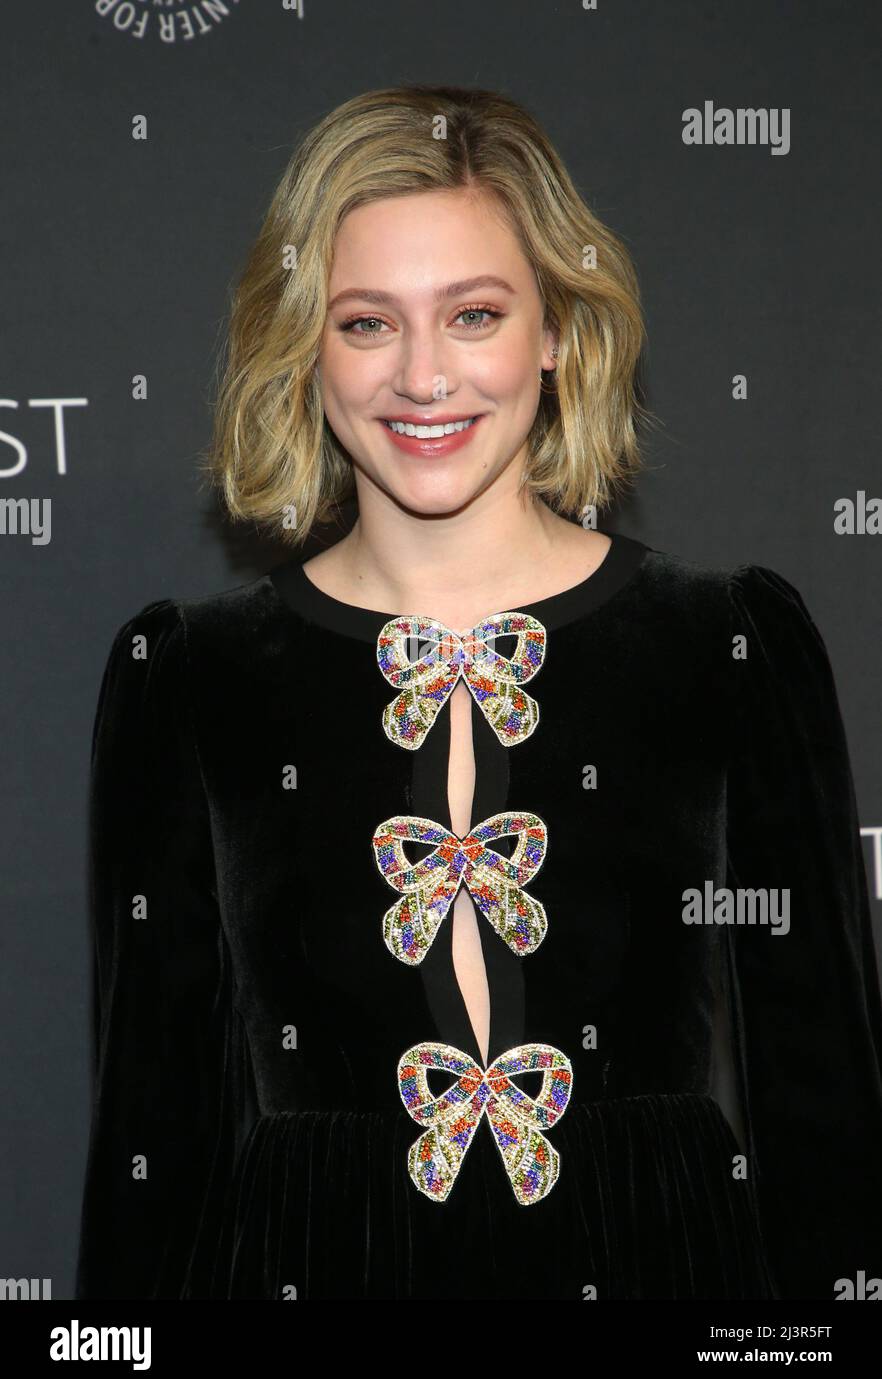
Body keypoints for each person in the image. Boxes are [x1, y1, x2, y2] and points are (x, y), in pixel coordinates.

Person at [75, 84, 882, 1301]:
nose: (422, 376)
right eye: (365, 324)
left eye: (474, 314)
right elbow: (151, 1153)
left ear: (555, 329)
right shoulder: (193, 680)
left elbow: (829, 1136)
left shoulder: (724, 646)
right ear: (305, 344)